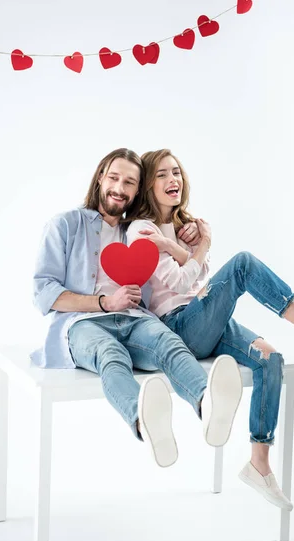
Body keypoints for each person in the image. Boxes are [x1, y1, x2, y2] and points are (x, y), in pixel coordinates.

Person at [125, 148, 294, 510]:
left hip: (206, 317)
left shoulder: (180, 228)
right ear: (148, 183)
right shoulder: (140, 230)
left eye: (176, 172)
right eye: (161, 174)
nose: (172, 180)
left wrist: (185, 246)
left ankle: (259, 462)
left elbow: (201, 276)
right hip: (178, 327)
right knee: (242, 264)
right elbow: (178, 284)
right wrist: (200, 248)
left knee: (271, 359)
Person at [31, 148, 244, 470]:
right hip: (82, 322)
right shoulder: (65, 224)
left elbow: (180, 274)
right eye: (114, 177)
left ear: (137, 189)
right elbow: (43, 291)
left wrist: (189, 235)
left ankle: (208, 405)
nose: (119, 188)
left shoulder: (140, 230)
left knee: (170, 344)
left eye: (129, 182)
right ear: (101, 176)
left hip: (135, 317)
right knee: (110, 355)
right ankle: (144, 421)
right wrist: (104, 302)